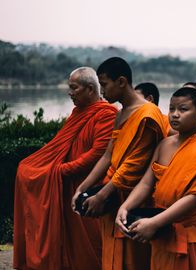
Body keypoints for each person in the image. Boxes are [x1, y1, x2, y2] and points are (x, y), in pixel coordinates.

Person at [115, 87, 196, 270]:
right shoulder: (164, 145)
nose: (175, 115)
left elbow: (194, 198)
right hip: (162, 231)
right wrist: (125, 207)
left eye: (183, 109)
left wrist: (155, 222)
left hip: (192, 233)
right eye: (171, 109)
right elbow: (147, 183)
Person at [13, 67, 118, 270]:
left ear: (89, 89)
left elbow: (97, 154)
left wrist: (59, 171)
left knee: (89, 241)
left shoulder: (107, 114)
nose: (69, 93)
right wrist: (46, 167)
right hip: (68, 183)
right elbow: (59, 145)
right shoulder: (77, 113)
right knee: (26, 167)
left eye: (73, 88)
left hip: (88, 185)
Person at [71, 57, 166, 270]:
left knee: (133, 259)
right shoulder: (121, 112)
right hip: (112, 194)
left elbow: (134, 165)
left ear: (121, 82)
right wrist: (83, 187)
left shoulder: (147, 114)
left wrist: (101, 195)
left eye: (104, 85)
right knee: (112, 256)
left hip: (134, 199)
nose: (101, 91)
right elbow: (108, 155)